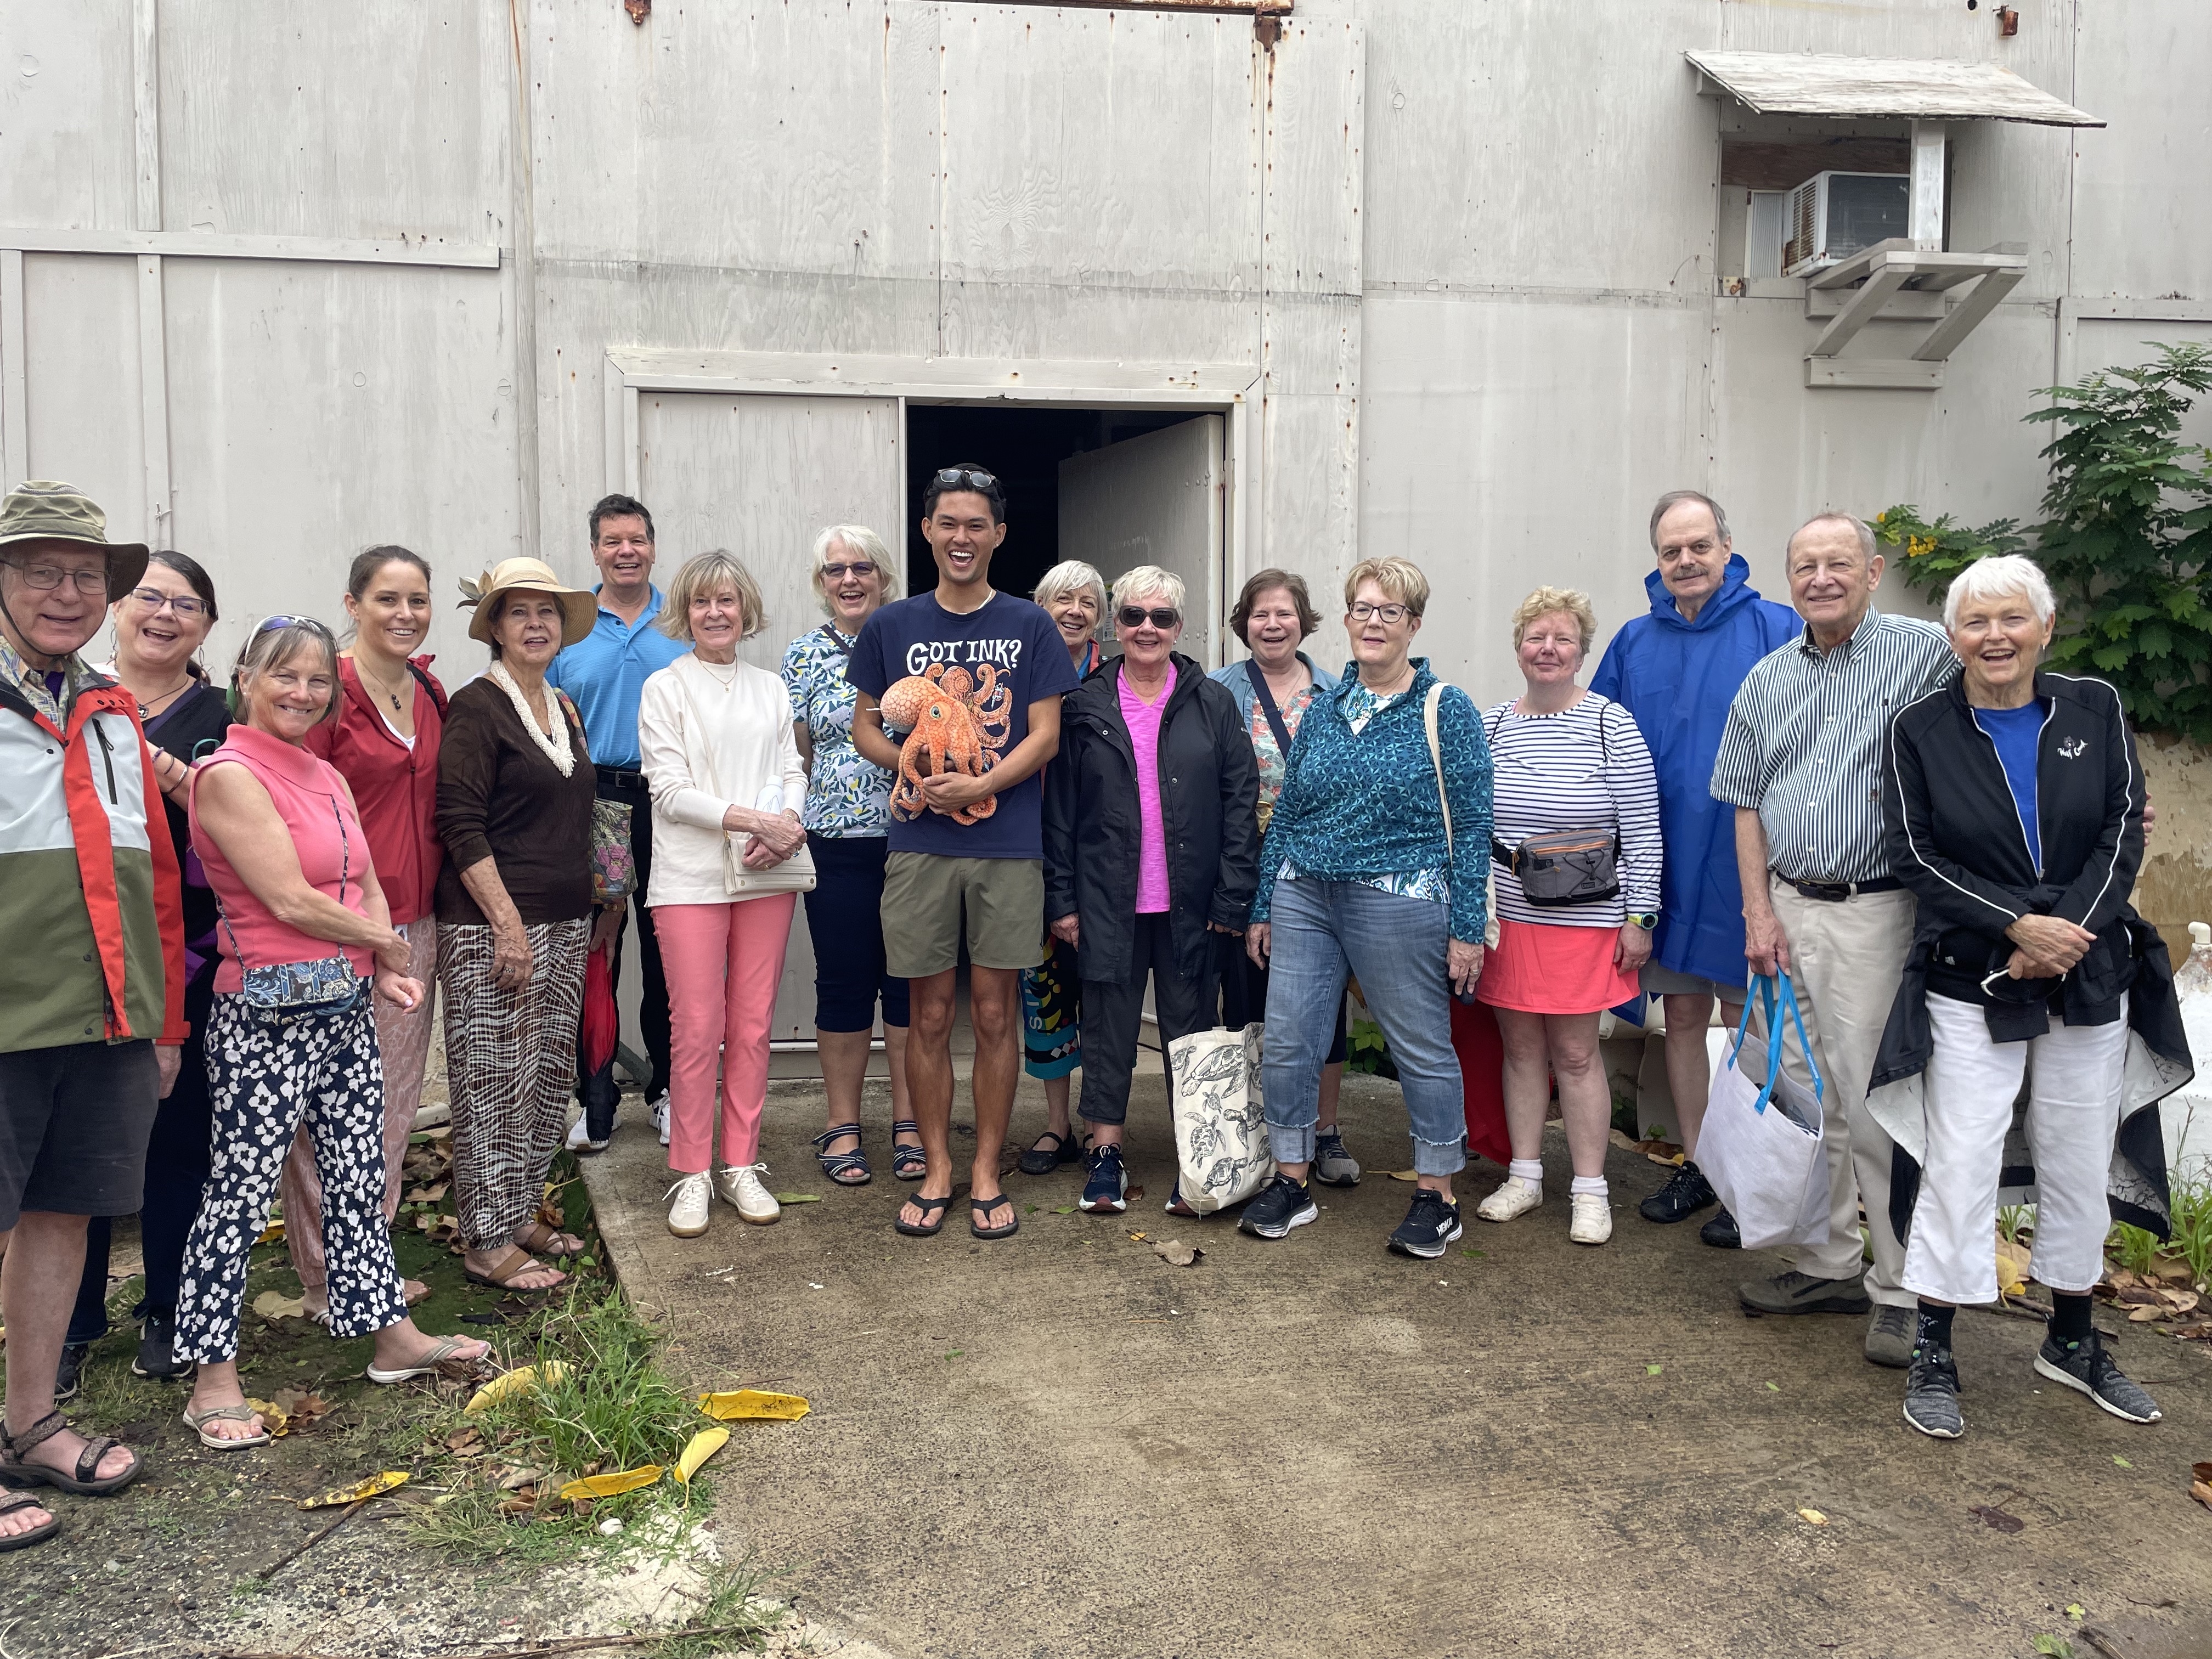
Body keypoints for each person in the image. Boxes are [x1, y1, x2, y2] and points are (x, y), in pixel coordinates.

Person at [1874, 555, 2188, 1438]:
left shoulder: (2096, 707)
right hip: (1970, 974)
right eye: (1975, 622)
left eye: (2012, 619)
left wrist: (2065, 935)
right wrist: (2017, 927)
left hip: (2088, 967)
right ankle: (1936, 1344)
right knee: (1962, 1153)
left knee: (2079, 1149)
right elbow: (1915, 853)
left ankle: (2074, 1339)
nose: (1995, 637)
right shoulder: (1919, 728)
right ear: (1952, 638)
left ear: (2044, 629)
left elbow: (2126, 822)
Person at [174, 617, 489, 1449]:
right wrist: (384, 944)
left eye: (317, 681)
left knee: (357, 1176)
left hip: (344, 1006)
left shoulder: (322, 770)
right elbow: (287, 897)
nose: (303, 693)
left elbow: (365, 880)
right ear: (246, 677)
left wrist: (381, 962)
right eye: (285, 676)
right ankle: (212, 1377)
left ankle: (389, 1336)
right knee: (238, 1197)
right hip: (263, 1019)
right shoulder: (229, 774)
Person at [1709, 512, 1959, 1368]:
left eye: (1838, 563)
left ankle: (1899, 1287)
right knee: (1809, 1103)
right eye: (1805, 565)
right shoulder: (1768, 679)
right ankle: (1828, 1263)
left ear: (1874, 570)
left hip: (1875, 913)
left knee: (1874, 1102)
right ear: (1788, 579)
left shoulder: (1926, 654)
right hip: (1786, 909)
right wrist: (1757, 915)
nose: (1821, 577)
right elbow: (1746, 802)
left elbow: (2007, 702)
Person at [0, 483, 180, 1548]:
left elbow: (148, 870)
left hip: (106, 1011)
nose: (66, 593)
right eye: (39, 570)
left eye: (83, 575)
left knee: (67, 1213)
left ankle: (30, 1427)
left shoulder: (110, 706)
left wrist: (159, 1020)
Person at [847, 464, 1083, 1241]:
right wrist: (918, 772)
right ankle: (939, 1167)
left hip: (1008, 847)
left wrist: (977, 779)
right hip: (919, 846)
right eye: (948, 523)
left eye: (976, 525)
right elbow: (866, 729)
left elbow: (1044, 735)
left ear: (998, 535)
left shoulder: (1030, 625)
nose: (961, 538)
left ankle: (985, 1166)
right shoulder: (891, 627)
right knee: (928, 1012)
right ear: (927, 532)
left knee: (992, 1013)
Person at [1243, 557, 1493, 1259]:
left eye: (1390, 611)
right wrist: (1265, 902)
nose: (1373, 622)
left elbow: (1474, 827)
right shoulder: (1323, 707)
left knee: (1421, 1048)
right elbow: (1288, 812)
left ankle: (1438, 1194)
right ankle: (1292, 1180)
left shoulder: (1446, 708)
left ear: (1413, 624)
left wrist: (1467, 929)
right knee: (1292, 1042)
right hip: (1305, 893)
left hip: (1399, 896)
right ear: (1346, 620)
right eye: (1362, 609)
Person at [1591, 492, 1799, 1248]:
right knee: (1680, 1017)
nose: (1686, 561)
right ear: (1657, 559)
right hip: (1666, 866)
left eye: (1699, 546)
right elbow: (1602, 751)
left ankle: (1760, 1177)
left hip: (1754, 865)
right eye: (1671, 550)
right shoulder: (1633, 642)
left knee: (1755, 1022)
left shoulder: (1777, 629)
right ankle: (1700, 1164)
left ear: (1727, 546)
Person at [59, 552, 232, 1397]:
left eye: (187, 605)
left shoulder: (221, 719)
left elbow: (237, 822)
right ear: (119, 610)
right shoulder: (63, 699)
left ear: (206, 626)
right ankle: (69, 1321)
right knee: (76, 1145)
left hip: (190, 958)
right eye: (149, 598)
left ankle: (168, 1305)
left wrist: (166, 771)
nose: (165, 615)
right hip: (80, 957)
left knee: (177, 1141)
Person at [1042, 566, 1258, 1215]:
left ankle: (1198, 1156)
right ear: (1116, 624)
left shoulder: (1211, 702)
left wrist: (1232, 896)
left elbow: (1240, 801)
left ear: (1179, 628)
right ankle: (1104, 1152)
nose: (1146, 629)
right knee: (1107, 1026)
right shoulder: (1085, 706)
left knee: (1190, 1028)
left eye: (1161, 618)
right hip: (1108, 899)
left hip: (1190, 902)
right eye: (1134, 616)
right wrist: (1063, 900)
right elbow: (1061, 814)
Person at [280, 548, 447, 1320]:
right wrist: (352, 925)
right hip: (338, 925)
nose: (406, 613)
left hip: (419, 921)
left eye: (418, 598)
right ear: (353, 603)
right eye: (388, 598)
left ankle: (366, 1263)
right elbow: (294, 807)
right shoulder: (329, 694)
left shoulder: (431, 689)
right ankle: (323, 1278)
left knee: (391, 1104)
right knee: (324, 1111)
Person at [1472, 588, 1662, 1247]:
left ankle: (1590, 1191)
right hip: (1510, 918)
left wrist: (1641, 917)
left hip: (1586, 919)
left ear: (1582, 650)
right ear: (1518, 646)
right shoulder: (1492, 724)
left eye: (1563, 639)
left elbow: (1641, 829)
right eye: (1536, 637)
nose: (1548, 649)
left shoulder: (1613, 723)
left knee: (1578, 1055)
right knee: (1521, 1050)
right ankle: (1525, 1177)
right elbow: (1470, 826)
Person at [437, 558, 603, 1294]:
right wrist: (505, 922)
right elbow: (458, 821)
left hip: (565, 920)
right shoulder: (477, 707)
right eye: (518, 613)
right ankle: (483, 1240)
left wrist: (600, 899)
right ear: (496, 629)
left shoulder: (562, 705)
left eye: (547, 612)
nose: (536, 624)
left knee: (544, 1080)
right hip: (493, 926)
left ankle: (516, 1212)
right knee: (491, 1083)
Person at [641, 552, 809, 1237]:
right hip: (689, 879)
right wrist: (756, 820)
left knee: (752, 1025)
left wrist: (787, 829)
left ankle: (740, 1164)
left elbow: (793, 767)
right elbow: (670, 791)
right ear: (686, 611)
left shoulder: (770, 687)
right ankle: (691, 1173)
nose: (717, 613)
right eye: (704, 602)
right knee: (698, 1028)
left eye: (728, 601)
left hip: (767, 871)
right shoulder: (664, 687)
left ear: (746, 610)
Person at [1208, 569, 1358, 1188]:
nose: (1273, 624)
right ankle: (1258, 1131)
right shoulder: (1217, 691)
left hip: (1319, 860)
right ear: (1244, 623)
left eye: (1285, 613)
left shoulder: (1336, 692)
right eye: (1261, 614)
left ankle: (1323, 1131)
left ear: (1304, 621)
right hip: (1242, 856)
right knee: (1246, 995)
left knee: (1323, 997)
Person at [546, 494, 687, 1149]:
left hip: (668, 801)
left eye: (636, 539)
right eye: (611, 541)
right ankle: (595, 1103)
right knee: (595, 952)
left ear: (653, 547)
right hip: (592, 798)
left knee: (668, 952)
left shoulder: (683, 618)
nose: (625, 551)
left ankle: (664, 1091)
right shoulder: (568, 627)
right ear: (596, 550)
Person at [781, 526, 918, 1187]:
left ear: (883, 576)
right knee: (842, 982)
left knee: (910, 984)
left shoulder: (914, 643)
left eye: (862, 567)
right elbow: (799, 753)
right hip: (834, 841)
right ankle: (842, 1125)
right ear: (822, 582)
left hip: (915, 839)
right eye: (835, 570)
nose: (850, 579)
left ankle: (911, 1122)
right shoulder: (803, 656)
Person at [1016, 558, 1107, 1176]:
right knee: (1044, 990)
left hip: (1104, 856)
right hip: (1029, 846)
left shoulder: (1119, 675)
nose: (1074, 611)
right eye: (1061, 599)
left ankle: (1105, 1124)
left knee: (1105, 990)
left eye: (1088, 602)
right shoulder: (1019, 669)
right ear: (1039, 605)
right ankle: (1057, 1126)